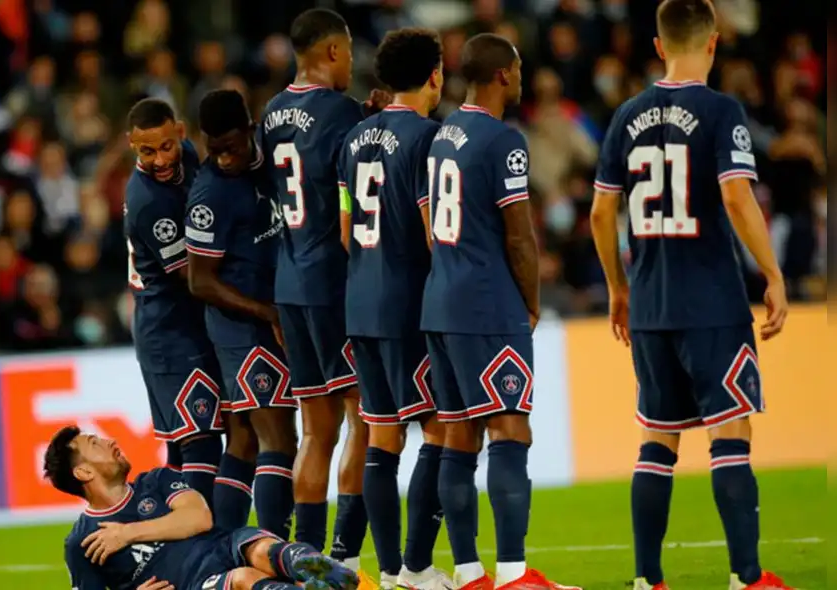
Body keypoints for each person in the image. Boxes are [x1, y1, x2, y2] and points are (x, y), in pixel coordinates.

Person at [588, 1, 792, 589]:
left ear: (658, 45)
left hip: (649, 306)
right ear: (714, 42)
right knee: (730, 431)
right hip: (710, 304)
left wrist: (617, 288)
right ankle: (746, 578)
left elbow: (602, 211)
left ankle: (646, 579)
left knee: (658, 438)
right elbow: (735, 196)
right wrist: (773, 274)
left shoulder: (625, 115)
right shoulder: (720, 109)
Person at [422, 33, 579, 590]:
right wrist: (531, 300)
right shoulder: (503, 140)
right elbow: (519, 236)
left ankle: (469, 574)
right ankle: (513, 574)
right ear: (503, 75)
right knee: (512, 430)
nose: (519, 78)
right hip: (487, 305)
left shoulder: (442, 134)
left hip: (439, 302)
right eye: (516, 70)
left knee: (459, 436)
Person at [336, 29, 451, 590]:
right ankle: (418, 567)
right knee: (439, 430)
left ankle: (387, 572)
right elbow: (436, 233)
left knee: (382, 436)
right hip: (409, 304)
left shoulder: (351, 140)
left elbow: (343, 231)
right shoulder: (431, 139)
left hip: (360, 302)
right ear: (435, 75)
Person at [257, 8, 368, 569]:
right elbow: (352, 202)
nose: (352, 62)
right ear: (330, 52)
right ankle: (343, 561)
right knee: (366, 419)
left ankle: (305, 560)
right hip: (332, 282)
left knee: (313, 431)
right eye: (348, 52)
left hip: (288, 282)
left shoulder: (271, 114)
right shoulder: (345, 114)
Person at [44, 425, 360, 590]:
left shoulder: (156, 480)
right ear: (83, 473)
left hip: (223, 544)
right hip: (194, 584)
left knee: (265, 549)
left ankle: (336, 577)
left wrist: (127, 534)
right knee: (242, 579)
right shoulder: (82, 543)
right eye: (95, 443)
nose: (110, 441)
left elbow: (199, 518)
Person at [185, 89, 298, 537]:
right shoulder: (209, 195)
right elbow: (201, 281)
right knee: (279, 439)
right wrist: (265, 311)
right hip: (243, 329)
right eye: (213, 150)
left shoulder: (271, 158)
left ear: (251, 130)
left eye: (231, 147)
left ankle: (220, 547)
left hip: (276, 316)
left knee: (246, 440)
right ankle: (279, 553)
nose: (223, 158)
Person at [123, 98, 224, 506]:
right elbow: (193, 278)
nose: (161, 159)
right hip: (169, 334)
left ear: (180, 133)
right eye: (147, 152)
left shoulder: (185, 156)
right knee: (199, 445)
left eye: (166, 146)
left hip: (185, 327)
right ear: (132, 147)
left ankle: (172, 544)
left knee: (185, 449)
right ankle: (199, 546)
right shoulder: (150, 202)